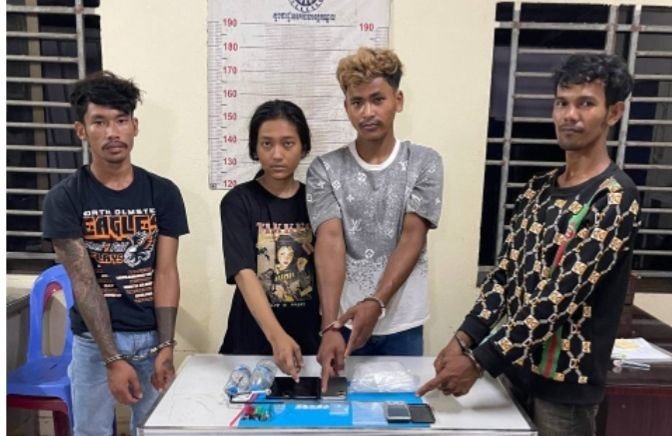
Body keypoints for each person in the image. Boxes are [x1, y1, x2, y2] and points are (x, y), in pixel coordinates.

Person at [417, 54, 640, 436]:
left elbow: (558, 297)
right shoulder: (537, 191)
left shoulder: (615, 198)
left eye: (586, 103)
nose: (570, 115)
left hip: (565, 391)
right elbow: (504, 277)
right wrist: (462, 337)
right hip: (514, 372)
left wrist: (479, 361)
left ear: (614, 113)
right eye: (562, 103)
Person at [42, 71, 189, 435]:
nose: (112, 132)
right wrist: (112, 358)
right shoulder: (65, 198)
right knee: (91, 432)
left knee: (156, 430)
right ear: (81, 130)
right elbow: (83, 282)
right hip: (95, 343)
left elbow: (166, 272)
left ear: (134, 126)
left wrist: (166, 345)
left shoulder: (163, 192)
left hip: (152, 337)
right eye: (99, 122)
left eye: (121, 121)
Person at [306, 47, 444, 390]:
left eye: (377, 99)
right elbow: (330, 243)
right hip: (344, 325)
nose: (367, 112)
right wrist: (330, 325)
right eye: (357, 102)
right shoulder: (325, 169)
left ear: (398, 100)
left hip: (403, 323)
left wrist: (376, 302)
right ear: (346, 108)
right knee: (340, 409)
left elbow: (412, 237)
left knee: (399, 409)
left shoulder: (424, 162)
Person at [219, 100, 320, 381]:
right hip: (250, 340)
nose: (277, 154)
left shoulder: (317, 200)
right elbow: (244, 272)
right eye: (267, 144)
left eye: (288, 144)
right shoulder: (238, 201)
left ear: (303, 147)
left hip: (308, 341)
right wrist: (277, 337)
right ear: (255, 149)